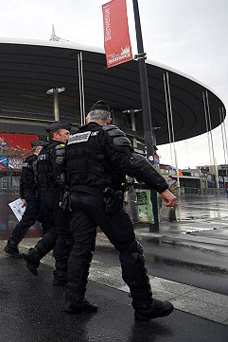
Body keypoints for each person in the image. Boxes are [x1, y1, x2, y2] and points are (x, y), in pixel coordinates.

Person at [63, 100, 177, 320]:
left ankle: (74, 300)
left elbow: (63, 172)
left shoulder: (73, 140)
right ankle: (144, 305)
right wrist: (163, 189)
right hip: (103, 200)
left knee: (80, 249)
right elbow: (133, 163)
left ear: (87, 119)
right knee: (129, 249)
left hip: (77, 200)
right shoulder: (109, 134)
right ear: (109, 119)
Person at [23, 123, 72, 286]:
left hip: (45, 198)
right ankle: (58, 273)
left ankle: (38, 256)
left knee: (55, 231)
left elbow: (37, 177)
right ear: (55, 136)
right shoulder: (59, 149)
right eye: (66, 133)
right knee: (63, 234)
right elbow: (61, 176)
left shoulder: (42, 153)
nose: (68, 136)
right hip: (57, 196)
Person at [4, 140, 47, 257]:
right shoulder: (37, 161)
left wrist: (23, 196)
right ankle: (12, 244)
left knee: (42, 220)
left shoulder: (27, 161)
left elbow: (22, 181)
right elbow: (38, 180)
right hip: (36, 195)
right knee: (28, 221)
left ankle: (46, 245)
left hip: (29, 195)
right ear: (38, 149)